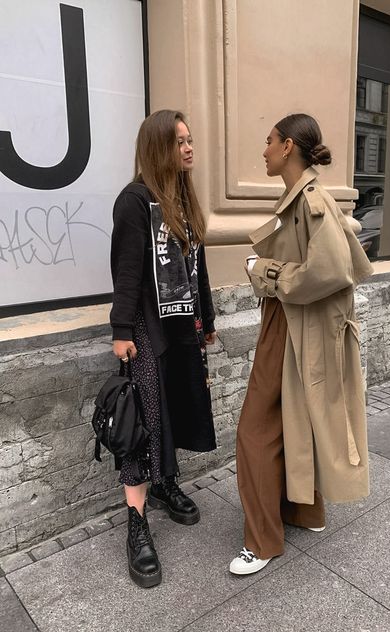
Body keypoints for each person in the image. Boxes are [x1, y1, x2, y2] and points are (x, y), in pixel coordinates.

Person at [229, 113, 373, 575]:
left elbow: (332, 271)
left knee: (253, 431)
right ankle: (304, 510)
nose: (264, 149)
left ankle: (263, 541)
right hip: (293, 322)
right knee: (295, 415)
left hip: (290, 323)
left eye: (269, 141)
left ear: (288, 146)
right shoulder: (302, 197)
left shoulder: (311, 200)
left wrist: (265, 272)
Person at [110, 110, 217, 588]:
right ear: (158, 147)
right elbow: (128, 269)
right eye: (180, 142)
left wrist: (208, 320)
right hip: (146, 328)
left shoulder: (184, 199)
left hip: (183, 325)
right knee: (142, 420)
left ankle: (166, 484)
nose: (189, 148)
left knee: (175, 408)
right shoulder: (134, 200)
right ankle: (136, 524)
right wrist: (120, 331)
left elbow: (199, 268)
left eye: (190, 140)